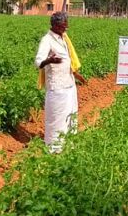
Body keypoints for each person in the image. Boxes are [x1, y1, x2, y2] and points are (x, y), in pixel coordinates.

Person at [35, 12, 87, 153]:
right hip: (57, 87)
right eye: (64, 26)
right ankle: (54, 148)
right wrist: (50, 60)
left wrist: (77, 76)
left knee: (71, 116)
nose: (66, 28)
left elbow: (69, 60)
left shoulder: (63, 37)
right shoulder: (47, 40)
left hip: (69, 85)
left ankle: (69, 145)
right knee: (57, 118)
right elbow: (38, 62)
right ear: (55, 26)